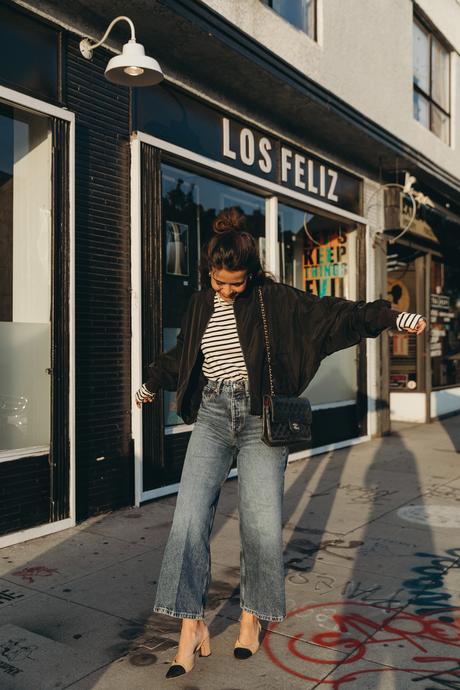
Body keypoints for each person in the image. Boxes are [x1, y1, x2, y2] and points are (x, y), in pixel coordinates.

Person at [135, 207, 426, 679]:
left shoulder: (276, 301)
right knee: (188, 520)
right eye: (219, 281)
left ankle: (252, 616)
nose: (226, 291)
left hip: (259, 419)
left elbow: (338, 316)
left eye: (235, 283)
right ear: (209, 270)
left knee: (262, 525)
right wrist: (153, 381)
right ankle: (190, 625)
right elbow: (187, 353)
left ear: (252, 274)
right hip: (211, 413)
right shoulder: (201, 302)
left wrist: (391, 318)